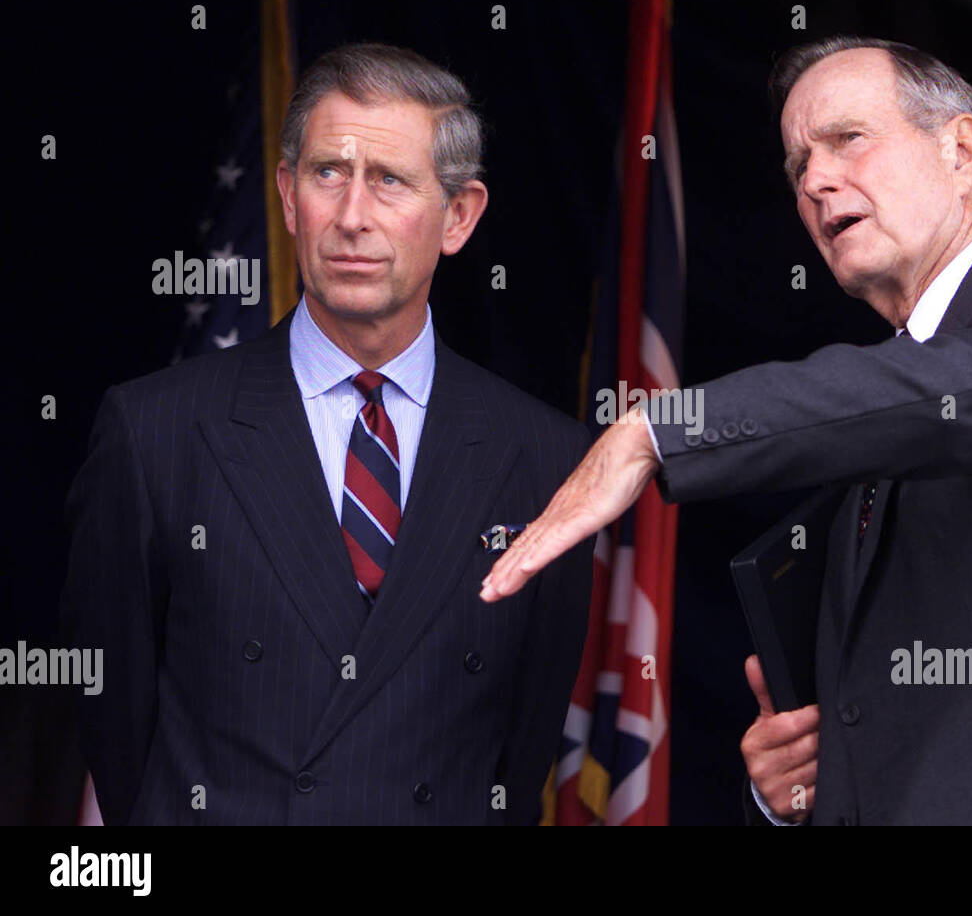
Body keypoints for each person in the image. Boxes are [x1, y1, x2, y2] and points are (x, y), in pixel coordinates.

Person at [481, 37, 972, 824]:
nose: (814, 180)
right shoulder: (879, 435)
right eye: (796, 165)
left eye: (847, 139)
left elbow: (966, 384)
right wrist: (788, 793)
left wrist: (659, 430)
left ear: (960, 149)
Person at [59, 43, 594, 825]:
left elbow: (522, 745)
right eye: (327, 174)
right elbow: (116, 725)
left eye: (389, 181)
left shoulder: (543, 456)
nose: (351, 217)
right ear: (285, 195)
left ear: (459, 216)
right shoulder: (154, 431)